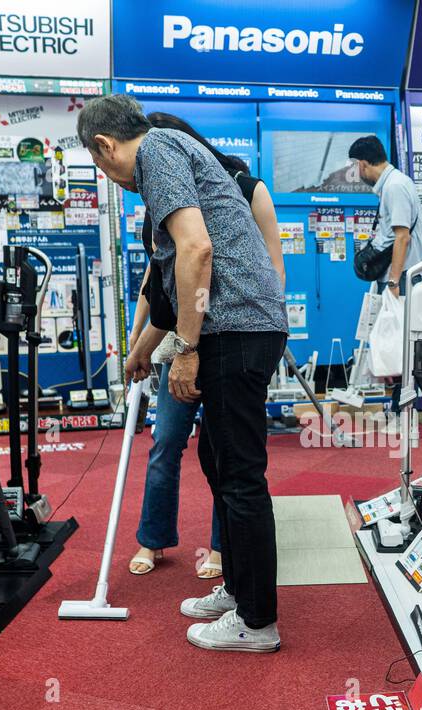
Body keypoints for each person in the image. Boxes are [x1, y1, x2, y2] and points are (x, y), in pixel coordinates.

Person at [78, 94, 289, 652]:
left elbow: (198, 252)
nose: (111, 177)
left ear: (105, 145)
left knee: (241, 475)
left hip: (235, 331)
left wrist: (187, 349)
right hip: (234, 328)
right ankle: (239, 589)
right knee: (216, 459)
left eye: (103, 166)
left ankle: (257, 621)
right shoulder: (167, 166)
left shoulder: (159, 152)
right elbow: (171, 292)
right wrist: (145, 349)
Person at [125, 114, 286, 580]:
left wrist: (259, 330)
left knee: (235, 465)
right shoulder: (166, 204)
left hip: (229, 335)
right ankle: (163, 545)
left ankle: (236, 578)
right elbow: (159, 291)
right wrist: (141, 348)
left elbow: (267, 268)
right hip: (189, 336)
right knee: (181, 447)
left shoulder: (244, 187)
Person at [347, 135, 422, 297]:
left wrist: (393, 282)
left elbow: (402, 237)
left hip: (403, 278)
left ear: (362, 164)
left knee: (398, 322)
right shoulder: (392, 184)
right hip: (400, 276)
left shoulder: (395, 186)